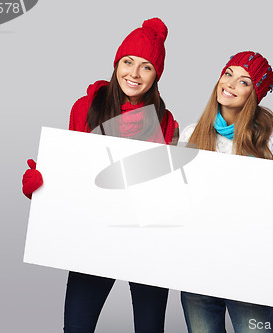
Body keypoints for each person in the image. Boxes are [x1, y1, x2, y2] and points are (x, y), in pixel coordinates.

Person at [22, 18, 178, 333]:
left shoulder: (165, 121)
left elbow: (170, 188)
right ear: (116, 63)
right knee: (77, 328)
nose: (134, 73)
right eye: (128, 62)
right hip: (94, 237)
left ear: (156, 75)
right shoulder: (86, 107)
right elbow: (71, 173)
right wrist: (41, 185)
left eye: (146, 66)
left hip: (146, 241)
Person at [178, 51, 273, 333]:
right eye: (228, 74)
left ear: (254, 94)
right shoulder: (191, 134)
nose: (231, 84)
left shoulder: (270, 139)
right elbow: (179, 202)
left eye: (244, 81)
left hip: (249, 272)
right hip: (199, 268)